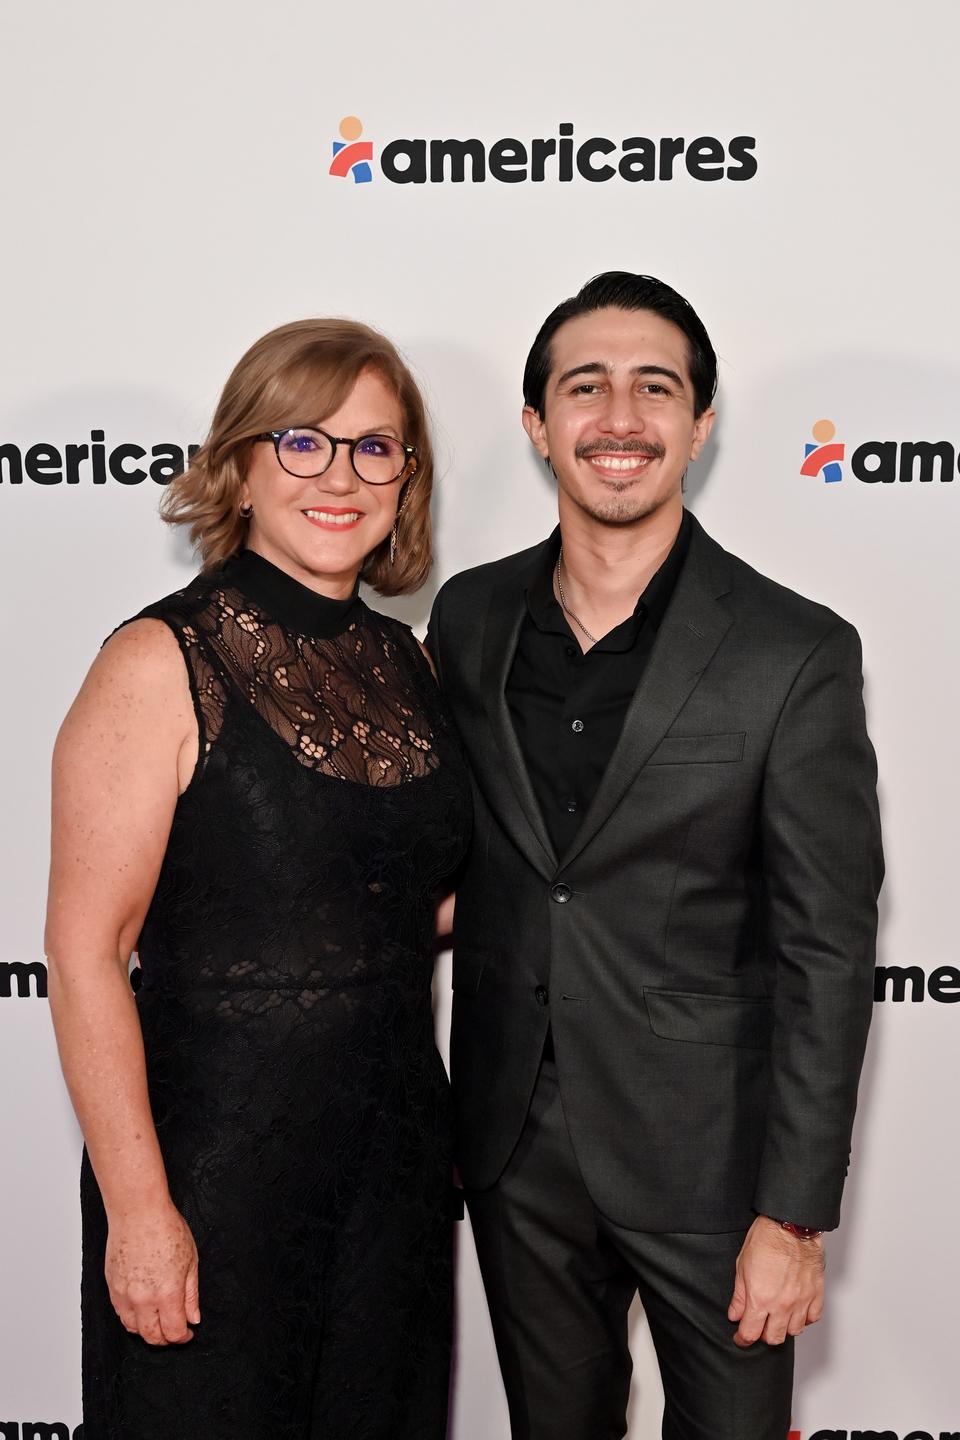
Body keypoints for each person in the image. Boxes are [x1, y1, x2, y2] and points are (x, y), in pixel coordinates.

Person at [426, 272, 883, 1440]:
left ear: (700, 423)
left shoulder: (795, 651)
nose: (618, 419)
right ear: (538, 426)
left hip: (716, 1170)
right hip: (515, 1147)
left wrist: (794, 1217)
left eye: (654, 388)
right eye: (586, 387)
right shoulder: (468, 621)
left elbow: (827, 948)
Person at [45, 318, 472, 1439]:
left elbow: (406, 904)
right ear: (239, 463)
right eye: (304, 442)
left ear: (406, 479)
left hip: (393, 1177)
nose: (341, 476)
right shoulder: (158, 662)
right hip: (213, 1180)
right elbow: (86, 954)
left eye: (376, 448)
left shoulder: (409, 664)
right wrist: (140, 1213)